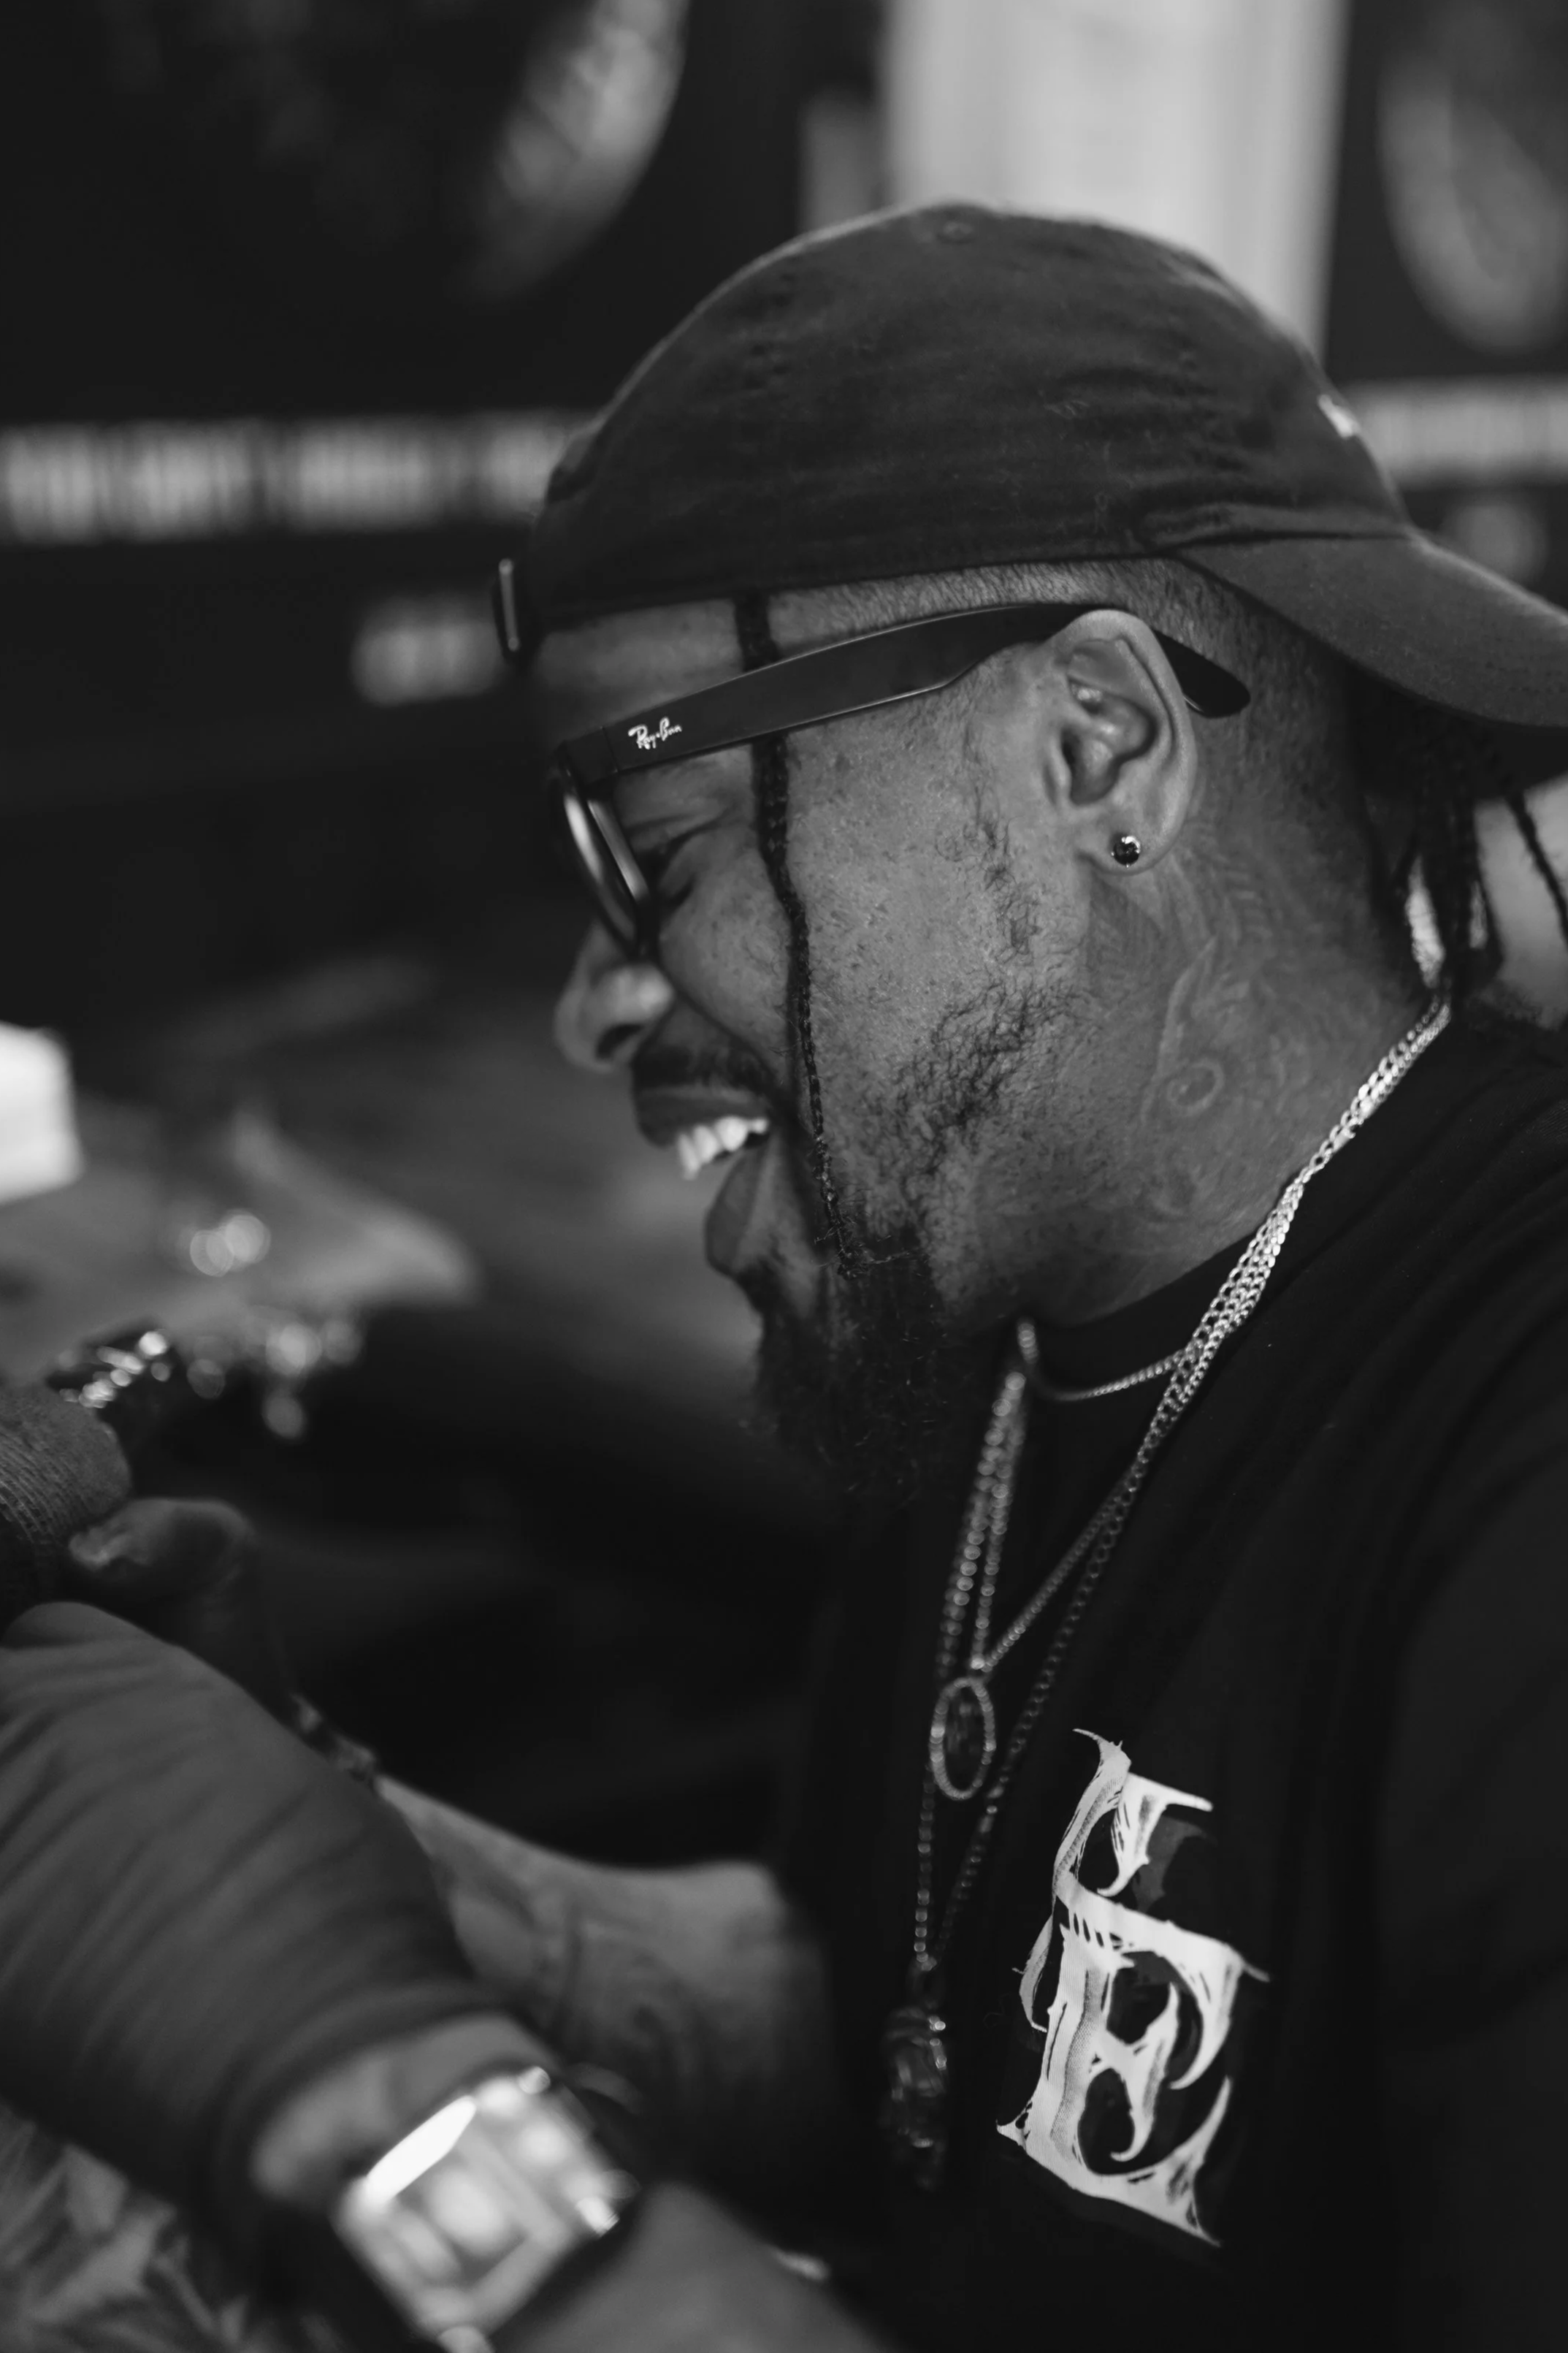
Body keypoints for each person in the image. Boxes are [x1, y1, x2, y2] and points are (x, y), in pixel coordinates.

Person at [3, 205, 1568, 2353]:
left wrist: (382, 2110)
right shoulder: (1007, 1338)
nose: (594, 1003)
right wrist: (301, 1829)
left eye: (655, 852)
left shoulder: (1517, 1471)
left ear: (1096, 747)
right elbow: (899, 2038)